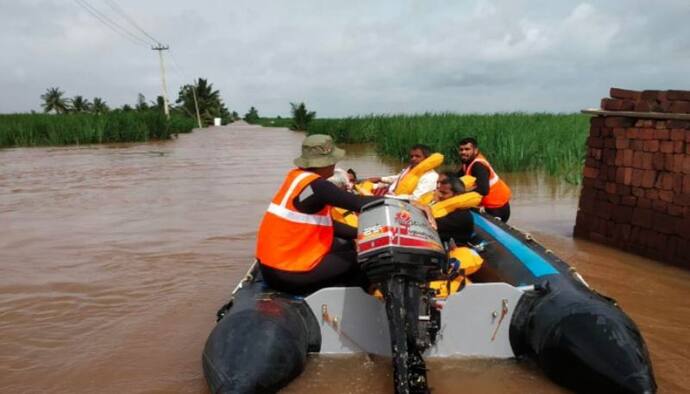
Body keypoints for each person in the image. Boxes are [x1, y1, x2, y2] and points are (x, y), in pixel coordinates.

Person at [255, 134, 381, 295]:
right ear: (326, 162)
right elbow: (359, 203)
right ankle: (358, 303)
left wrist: (360, 233)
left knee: (347, 246)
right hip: (287, 274)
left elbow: (328, 224)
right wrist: (406, 203)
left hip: (270, 268)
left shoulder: (296, 178)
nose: (335, 164)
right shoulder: (318, 186)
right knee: (366, 259)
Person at [457, 137, 512, 222]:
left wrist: (461, 194)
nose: (463, 152)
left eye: (467, 149)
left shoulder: (478, 166)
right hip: (491, 205)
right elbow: (456, 179)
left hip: (497, 208)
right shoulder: (467, 162)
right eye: (461, 149)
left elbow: (483, 190)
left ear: (475, 150)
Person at [368, 144, 439, 200]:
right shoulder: (411, 169)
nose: (413, 159)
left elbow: (416, 198)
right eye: (411, 156)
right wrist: (380, 179)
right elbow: (399, 178)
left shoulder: (430, 176)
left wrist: (390, 197)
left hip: (404, 203)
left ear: (426, 158)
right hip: (392, 195)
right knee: (364, 186)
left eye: (417, 156)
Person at [433, 172, 474, 244]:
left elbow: (429, 225)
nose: (439, 195)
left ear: (457, 195)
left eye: (444, 193)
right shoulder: (442, 207)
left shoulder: (462, 215)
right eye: (439, 191)